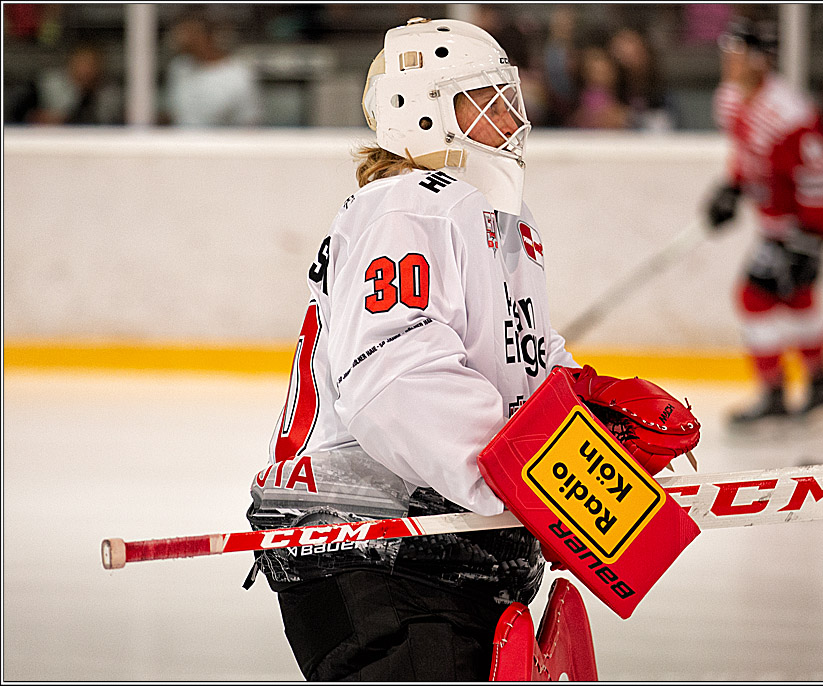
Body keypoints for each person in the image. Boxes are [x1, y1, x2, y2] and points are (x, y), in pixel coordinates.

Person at [244, 17, 577, 681]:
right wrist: (537, 484)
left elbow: (518, 362)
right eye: (485, 100)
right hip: (372, 548)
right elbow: (396, 377)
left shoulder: (491, 219)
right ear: (420, 115)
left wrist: (587, 410)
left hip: (435, 542)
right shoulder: (408, 206)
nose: (511, 120)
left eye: (510, 99)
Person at [705, 17, 823, 431]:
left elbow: (821, 174)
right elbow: (747, 155)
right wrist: (733, 187)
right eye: (726, 53)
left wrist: (814, 238)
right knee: (797, 299)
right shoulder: (730, 99)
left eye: (738, 54)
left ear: (761, 59)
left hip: (799, 227)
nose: (729, 62)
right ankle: (821, 389)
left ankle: (774, 396)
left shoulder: (790, 113)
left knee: (753, 297)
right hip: (774, 225)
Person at [162, 11, 261, 126]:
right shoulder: (179, 67)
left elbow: (249, 123)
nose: (179, 38)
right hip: (178, 142)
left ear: (206, 36)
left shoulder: (239, 74)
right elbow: (175, 114)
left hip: (220, 143)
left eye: (187, 33)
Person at [10, 43, 122, 125]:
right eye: (82, 63)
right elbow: (19, 114)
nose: (86, 70)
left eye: (91, 64)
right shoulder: (46, 84)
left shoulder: (111, 94)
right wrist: (40, 118)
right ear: (71, 63)